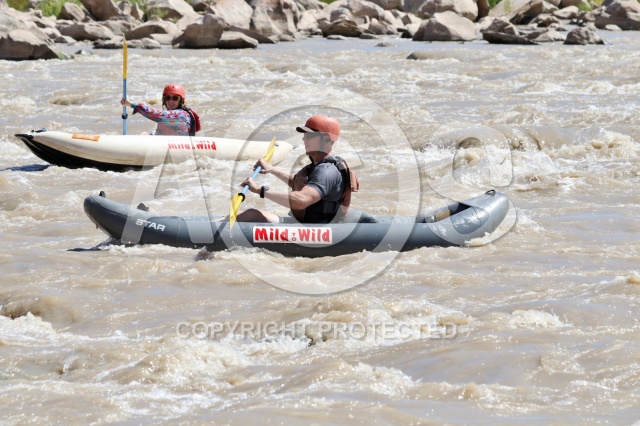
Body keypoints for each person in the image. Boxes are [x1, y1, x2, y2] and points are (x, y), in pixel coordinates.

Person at [235, 114, 359, 224]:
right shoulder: (320, 165)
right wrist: (272, 169)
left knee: (251, 215)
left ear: (325, 139)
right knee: (247, 214)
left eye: (310, 135)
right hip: (306, 224)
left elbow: (301, 200)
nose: (304, 139)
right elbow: (300, 182)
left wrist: (260, 190)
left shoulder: (327, 171)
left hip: (316, 231)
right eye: (305, 135)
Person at [120, 84, 201, 136]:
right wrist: (147, 134)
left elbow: (156, 114)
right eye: (168, 98)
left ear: (181, 101)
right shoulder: (167, 115)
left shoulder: (182, 115)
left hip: (179, 148)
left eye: (175, 98)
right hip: (165, 145)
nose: (171, 101)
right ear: (164, 100)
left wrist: (131, 105)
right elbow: (159, 132)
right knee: (144, 134)